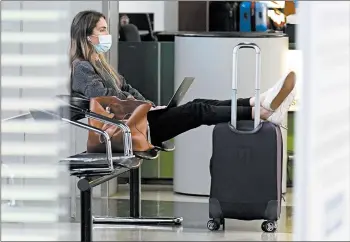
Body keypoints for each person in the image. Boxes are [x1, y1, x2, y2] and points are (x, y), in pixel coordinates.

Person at [70, 10, 296, 147]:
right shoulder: (81, 67)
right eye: (101, 30)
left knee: (202, 103)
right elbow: (105, 98)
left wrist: (147, 104)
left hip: (140, 119)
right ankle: (260, 110)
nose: (107, 34)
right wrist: (138, 104)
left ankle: (255, 102)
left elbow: (127, 88)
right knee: (196, 110)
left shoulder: (101, 65)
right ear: (86, 36)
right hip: (129, 129)